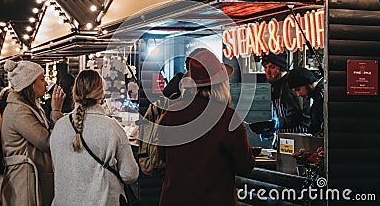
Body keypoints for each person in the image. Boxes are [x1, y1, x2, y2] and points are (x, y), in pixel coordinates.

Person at [157, 48, 255, 206]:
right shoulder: (227, 118)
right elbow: (244, 166)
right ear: (221, 84)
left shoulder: (172, 114)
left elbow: (162, 156)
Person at [50, 69, 139, 206]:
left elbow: (56, 167)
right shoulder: (112, 128)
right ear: (101, 93)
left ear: (74, 92)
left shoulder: (59, 127)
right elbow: (130, 174)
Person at [1, 60, 66, 206]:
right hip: (26, 180)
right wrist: (56, 111)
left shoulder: (30, 107)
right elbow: (47, 143)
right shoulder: (19, 110)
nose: (46, 83)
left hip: (32, 176)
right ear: (29, 83)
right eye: (42, 79)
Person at [261, 52, 310, 134]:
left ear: (282, 68)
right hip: (283, 138)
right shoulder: (276, 85)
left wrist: (278, 123)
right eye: (265, 68)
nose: (268, 72)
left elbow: (296, 116)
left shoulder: (289, 85)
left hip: (296, 138)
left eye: (272, 67)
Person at [288, 67, 324, 136]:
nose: (298, 94)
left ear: (307, 82)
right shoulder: (317, 98)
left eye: (298, 89)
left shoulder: (322, 97)